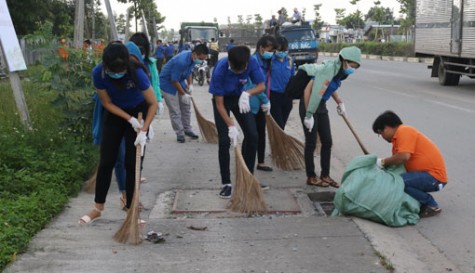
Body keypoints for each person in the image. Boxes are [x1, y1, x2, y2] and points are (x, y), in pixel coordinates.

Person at [79, 42, 158, 224]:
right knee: (107, 160)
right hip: (115, 112)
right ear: (105, 65)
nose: (117, 74)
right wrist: (127, 119)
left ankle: (131, 208)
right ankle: (98, 207)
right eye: (112, 70)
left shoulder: (137, 72)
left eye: (120, 70)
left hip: (139, 112)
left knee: (132, 164)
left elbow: (152, 103)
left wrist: (144, 128)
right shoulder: (99, 73)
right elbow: (107, 103)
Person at [299, 46, 361, 188]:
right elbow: (308, 90)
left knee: (327, 141)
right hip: (309, 104)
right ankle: (311, 176)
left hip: (321, 106)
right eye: (352, 66)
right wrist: (308, 114)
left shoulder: (340, 72)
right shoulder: (327, 69)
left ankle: (325, 175)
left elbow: (329, 87)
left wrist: (339, 101)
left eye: (355, 68)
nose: (353, 69)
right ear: (345, 61)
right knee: (311, 142)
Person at [209, 45, 266, 198]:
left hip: (240, 97)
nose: (240, 72)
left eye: (243, 69)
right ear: (230, 63)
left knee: (253, 136)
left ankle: (247, 176)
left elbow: (261, 85)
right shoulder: (220, 70)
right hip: (221, 101)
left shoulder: (251, 61)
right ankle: (226, 183)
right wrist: (230, 125)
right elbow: (219, 104)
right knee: (224, 141)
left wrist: (247, 93)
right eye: (236, 70)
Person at [372, 110, 447, 218]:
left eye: (380, 133)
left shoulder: (404, 131)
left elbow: (403, 157)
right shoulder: (398, 140)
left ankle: (431, 204)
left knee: (398, 182)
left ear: (386, 127)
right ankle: (420, 202)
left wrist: (382, 162)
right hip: (425, 175)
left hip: (434, 177)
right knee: (394, 180)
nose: (382, 137)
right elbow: (398, 163)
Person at [160, 44, 209, 143]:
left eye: (203, 59)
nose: (201, 60)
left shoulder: (192, 58)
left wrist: (190, 84)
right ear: (194, 54)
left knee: (186, 107)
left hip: (180, 81)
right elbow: (174, 80)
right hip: (167, 84)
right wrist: (183, 94)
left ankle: (187, 129)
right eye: (200, 58)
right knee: (175, 110)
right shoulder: (181, 61)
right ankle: (180, 133)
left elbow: (189, 72)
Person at [250, 35, 277, 173]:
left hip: (263, 102)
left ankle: (260, 162)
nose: (271, 53)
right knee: (251, 135)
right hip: (252, 103)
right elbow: (256, 84)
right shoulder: (253, 61)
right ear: (261, 48)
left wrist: (266, 100)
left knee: (261, 133)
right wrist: (264, 100)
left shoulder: (267, 61)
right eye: (269, 50)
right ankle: (247, 162)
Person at [130, 33, 165, 117]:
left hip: (146, 103)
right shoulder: (125, 64)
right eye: (136, 48)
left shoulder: (150, 63)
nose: (139, 52)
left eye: (142, 49)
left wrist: (158, 100)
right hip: (129, 104)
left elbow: (155, 83)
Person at [269, 36, 295, 130]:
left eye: (285, 50)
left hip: (287, 96)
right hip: (274, 96)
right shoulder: (270, 61)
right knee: (278, 125)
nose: (282, 52)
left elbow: (292, 77)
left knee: (282, 125)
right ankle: (278, 143)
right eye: (280, 50)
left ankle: (278, 142)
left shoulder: (290, 60)